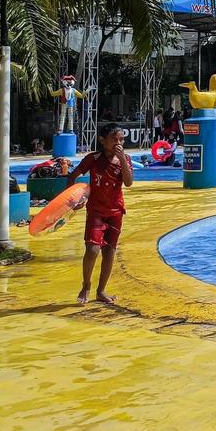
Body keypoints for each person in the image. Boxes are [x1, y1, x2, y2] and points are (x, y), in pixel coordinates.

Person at [67, 123, 134, 305]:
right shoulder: (93, 159)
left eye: (121, 140)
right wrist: (74, 199)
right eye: (115, 139)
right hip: (96, 211)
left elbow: (128, 183)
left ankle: (101, 290)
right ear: (102, 140)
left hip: (115, 211)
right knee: (92, 249)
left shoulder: (125, 159)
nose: (119, 143)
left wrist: (122, 160)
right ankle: (86, 284)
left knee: (109, 250)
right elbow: (72, 176)